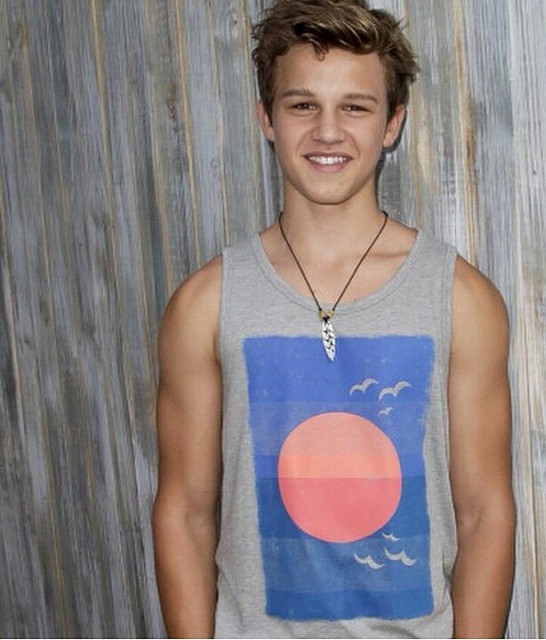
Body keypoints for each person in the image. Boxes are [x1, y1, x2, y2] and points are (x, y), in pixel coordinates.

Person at [152, 0, 515, 637]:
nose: (327, 132)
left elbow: (485, 512)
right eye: (302, 105)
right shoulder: (206, 303)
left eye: (355, 107)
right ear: (266, 118)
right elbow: (184, 512)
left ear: (392, 122)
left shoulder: (459, 297)